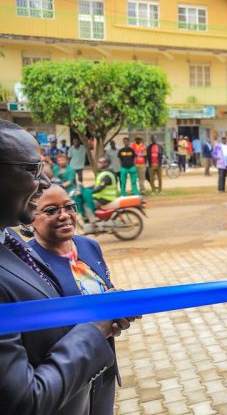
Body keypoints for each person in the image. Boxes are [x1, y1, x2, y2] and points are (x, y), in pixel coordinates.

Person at [0, 119, 133, 414]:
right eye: (33, 170)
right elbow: (24, 401)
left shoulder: (10, 240)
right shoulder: (24, 247)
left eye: (69, 207)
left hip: (88, 389)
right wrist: (95, 328)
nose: (45, 182)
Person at [27, 184, 132, 415]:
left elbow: (104, 287)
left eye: (69, 207)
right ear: (29, 219)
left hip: (102, 363)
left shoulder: (89, 246)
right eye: (51, 210)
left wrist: (116, 302)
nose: (64, 215)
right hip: (66, 376)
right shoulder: (27, 263)